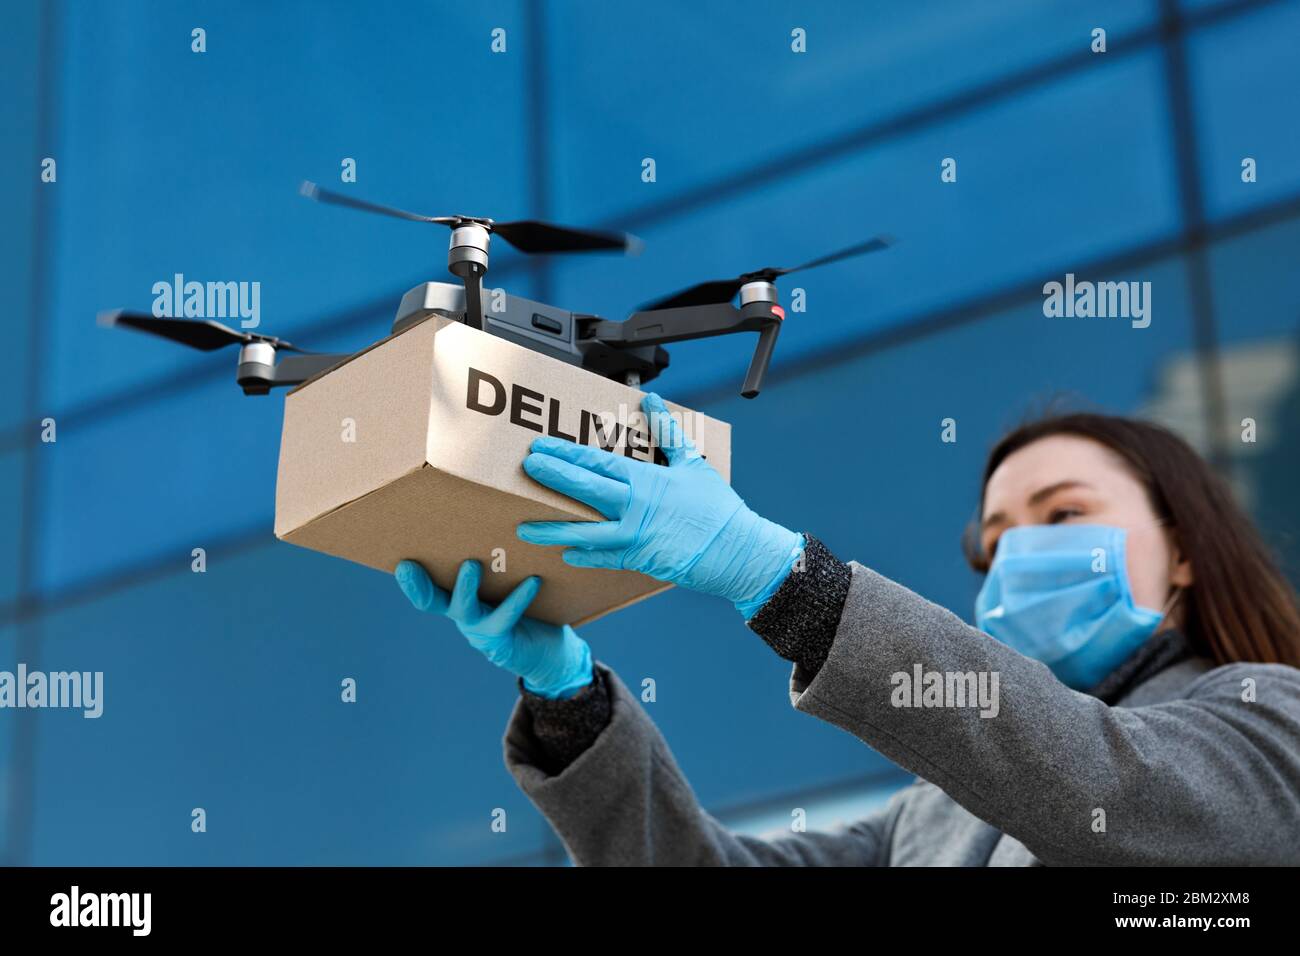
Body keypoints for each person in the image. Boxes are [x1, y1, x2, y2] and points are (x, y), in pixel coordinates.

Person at [394, 393, 1300, 865]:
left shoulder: (1272, 719)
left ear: (1184, 551)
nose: (1020, 553)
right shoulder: (934, 817)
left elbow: (1117, 795)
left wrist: (774, 574)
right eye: (995, 542)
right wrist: (570, 701)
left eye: (1062, 516)